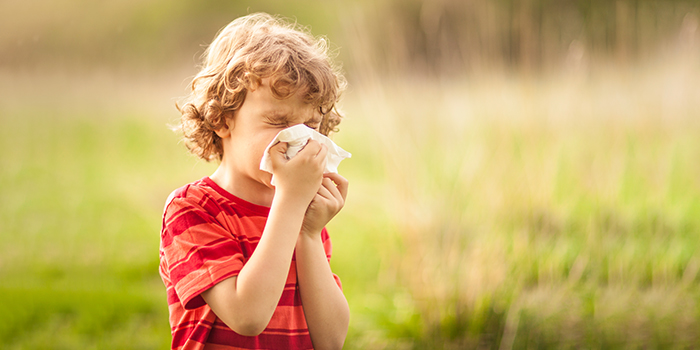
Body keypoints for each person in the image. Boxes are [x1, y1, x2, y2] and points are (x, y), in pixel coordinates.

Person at [159, 13, 350, 350]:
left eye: (312, 126)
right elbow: (247, 316)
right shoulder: (192, 210)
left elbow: (331, 340)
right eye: (279, 122)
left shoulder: (303, 214)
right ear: (221, 119)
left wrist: (308, 234)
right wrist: (291, 202)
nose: (299, 140)